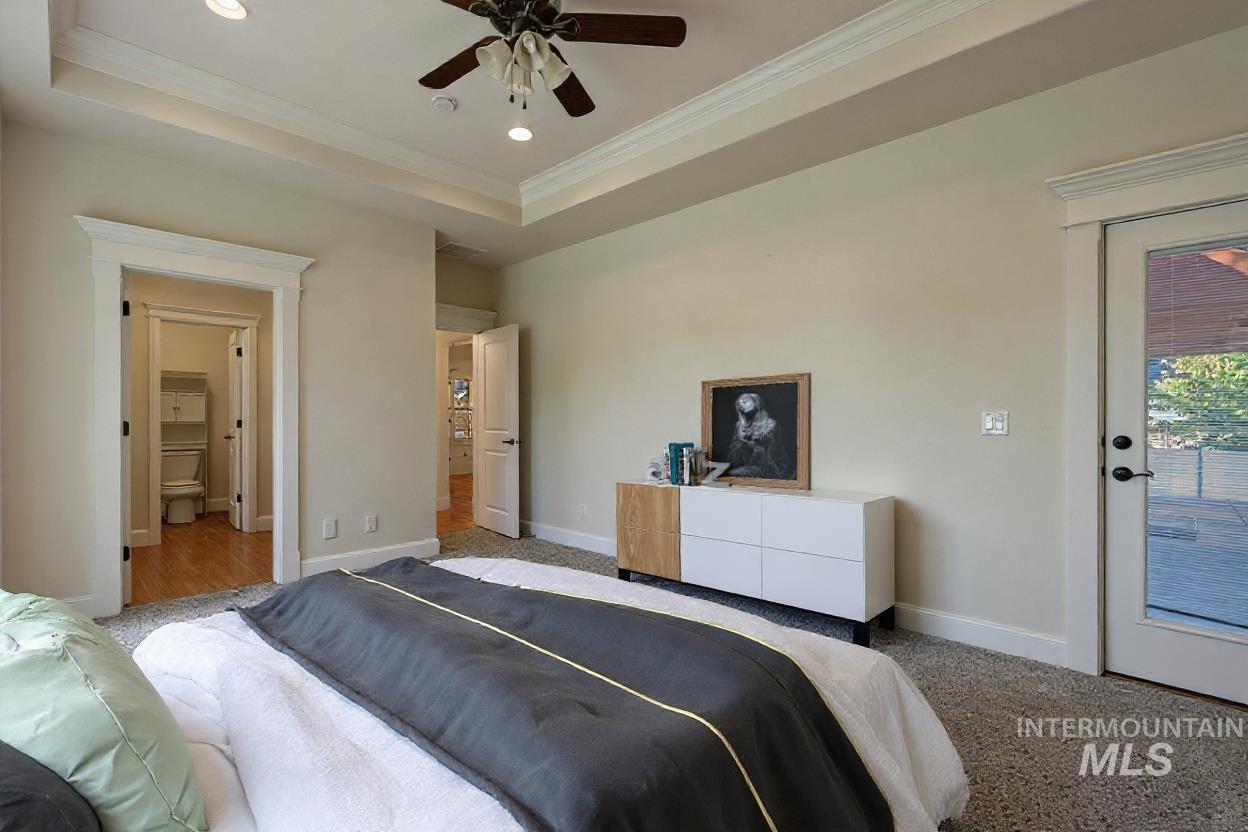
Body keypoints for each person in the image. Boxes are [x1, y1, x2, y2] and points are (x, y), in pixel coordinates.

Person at [726, 392, 793, 479]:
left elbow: (774, 456)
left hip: (768, 469)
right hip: (744, 466)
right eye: (738, 403)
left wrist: (755, 447)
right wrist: (741, 443)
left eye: (745, 401)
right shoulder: (739, 426)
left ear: (757, 403)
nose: (740, 405)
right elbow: (731, 457)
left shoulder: (771, 425)